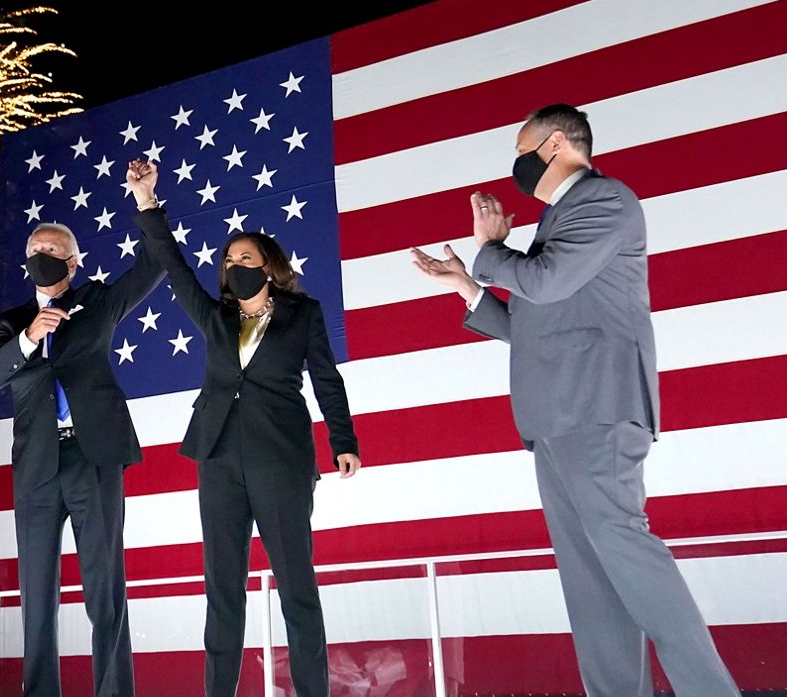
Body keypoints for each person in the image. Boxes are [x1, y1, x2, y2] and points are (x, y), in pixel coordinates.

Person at [411, 104, 738, 696]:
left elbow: (542, 281)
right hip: (555, 417)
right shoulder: (557, 223)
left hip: (597, 408)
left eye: (522, 150)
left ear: (556, 142)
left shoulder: (605, 201)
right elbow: (537, 326)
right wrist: (466, 284)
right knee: (592, 584)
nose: (516, 166)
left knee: (632, 561)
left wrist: (489, 251)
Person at [130, 159, 360, 697]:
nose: (236, 264)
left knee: (297, 590)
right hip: (218, 461)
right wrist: (146, 201)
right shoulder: (216, 318)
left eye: (246, 257)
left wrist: (343, 442)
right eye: (230, 259)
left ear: (268, 266)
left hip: (281, 461)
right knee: (222, 592)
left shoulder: (303, 315)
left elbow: (327, 381)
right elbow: (174, 264)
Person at [0, 177, 165, 697]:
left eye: (54, 250)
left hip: (92, 453)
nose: (44, 255)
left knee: (104, 587)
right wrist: (31, 336)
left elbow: (154, 266)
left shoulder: (98, 302)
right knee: (37, 593)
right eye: (36, 250)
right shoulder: (10, 323)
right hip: (36, 466)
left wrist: (145, 201)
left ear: (74, 262)